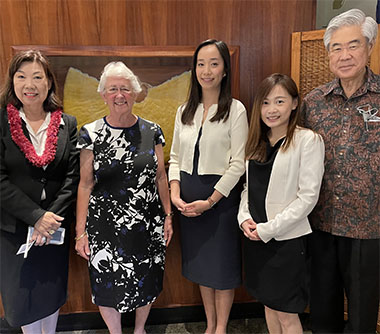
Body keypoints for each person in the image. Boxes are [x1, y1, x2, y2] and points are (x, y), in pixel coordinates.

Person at [75, 61, 173, 334]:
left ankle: (140, 329)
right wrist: (80, 232)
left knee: (146, 279)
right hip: (104, 226)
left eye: (126, 89)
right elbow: (85, 185)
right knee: (105, 283)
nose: (120, 95)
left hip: (147, 222)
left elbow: (161, 176)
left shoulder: (152, 130)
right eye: (113, 89)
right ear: (104, 94)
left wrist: (167, 216)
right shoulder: (90, 133)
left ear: (136, 93)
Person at [301, 8, 380, 334]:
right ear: (328, 53)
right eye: (337, 47)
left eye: (353, 45)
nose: (345, 55)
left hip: (369, 226)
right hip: (321, 222)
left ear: (369, 48)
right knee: (322, 314)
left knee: (362, 317)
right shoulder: (314, 102)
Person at [168, 39, 248, 334]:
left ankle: (221, 328)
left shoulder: (236, 110)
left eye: (214, 63)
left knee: (222, 268)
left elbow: (238, 164)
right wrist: (175, 193)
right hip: (188, 202)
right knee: (202, 266)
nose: (207, 70)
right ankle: (209, 324)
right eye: (201, 64)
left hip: (220, 202)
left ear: (225, 69)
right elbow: (174, 157)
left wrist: (211, 201)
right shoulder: (184, 110)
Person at [238, 73, 324, 334]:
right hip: (256, 240)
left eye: (279, 101)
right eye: (265, 103)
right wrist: (244, 218)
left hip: (286, 242)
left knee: (287, 314)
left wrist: (269, 229)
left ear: (295, 104)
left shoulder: (307, 140)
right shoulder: (258, 142)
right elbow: (247, 188)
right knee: (269, 304)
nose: (271, 110)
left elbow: (308, 197)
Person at [0, 50, 79, 333]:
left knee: (50, 292)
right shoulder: (1, 122)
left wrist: (49, 219)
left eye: (37, 77)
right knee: (24, 298)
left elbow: (72, 177)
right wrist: (36, 217)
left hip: (53, 228)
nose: (29, 85)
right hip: (15, 228)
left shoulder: (67, 124)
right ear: (12, 82)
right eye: (21, 77)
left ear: (48, 84)